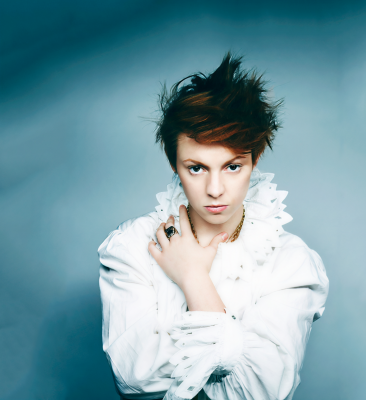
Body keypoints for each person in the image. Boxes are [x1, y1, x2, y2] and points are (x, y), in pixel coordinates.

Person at [98, 53, 329, 400]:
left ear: (255, 159)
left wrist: (193, 277)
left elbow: (261, 391)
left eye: (232, 167)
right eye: (196, 168)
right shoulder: (133, 245)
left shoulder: (290, 262)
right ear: (174, 163)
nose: (215, 189)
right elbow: (136, 379)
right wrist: (228, 353)